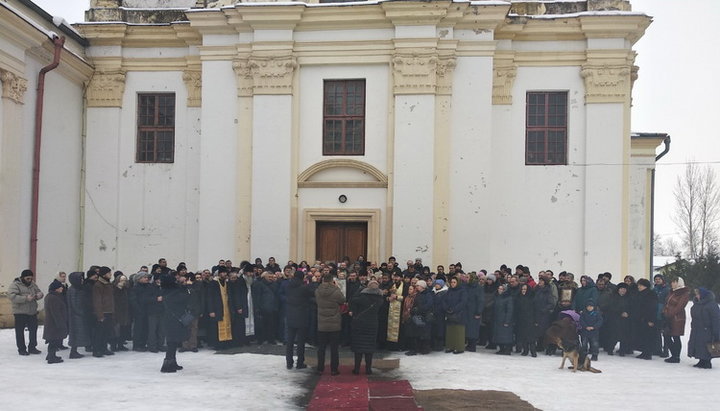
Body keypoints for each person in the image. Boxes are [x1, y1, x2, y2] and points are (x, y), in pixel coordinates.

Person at [349, 280, 384, 374]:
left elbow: (353, 299)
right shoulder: (380, 299)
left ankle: (357, 369)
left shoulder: (362, 297)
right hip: (373, 324)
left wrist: (360, 289)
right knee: (369, 347)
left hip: (360, 324)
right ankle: (368, 369)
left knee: (358, 347)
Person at [315, 273, 345, 375]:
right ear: (332, 280)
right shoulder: (336, 291)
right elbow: (342, 300)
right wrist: (337, 287)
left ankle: (320, 368)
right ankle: (334, 369)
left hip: (322, 324)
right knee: (334, 348)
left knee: (321, 348)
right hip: (334, 324)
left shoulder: (318, 291)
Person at [160, 273, 190, 373]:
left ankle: (172, 362)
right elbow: (184, 298)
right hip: (173, 320)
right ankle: (167, 364)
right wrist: (185, 287)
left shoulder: (165, 291)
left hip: (170, 319)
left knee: (173, 341)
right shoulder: (172, 292)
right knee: (172, 342)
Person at [8, 269, 43, 356]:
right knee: (20, 331)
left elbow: (38, 291)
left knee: (33, 330)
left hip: (32, 311)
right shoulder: (15, 284)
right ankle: (21, 349)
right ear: (22, 277)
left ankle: (32, 347)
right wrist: (25, 298)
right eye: (28, 278)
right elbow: (12, 296)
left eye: (31, 278)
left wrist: (39, 294)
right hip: (20, 312)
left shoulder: (33, 284)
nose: (30, 280)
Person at [285, 270, 314, 369]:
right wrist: (310, 282)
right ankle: (300, 362)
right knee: (301, 342)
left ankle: (289, 362)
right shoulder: (304, 288)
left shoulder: (288, 286)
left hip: (290, 315)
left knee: (290, 341)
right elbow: (312, 294)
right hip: (301, 317)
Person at [688, 287, 720, 369]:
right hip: (697, 329)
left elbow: (716, 319)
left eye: (698, 294)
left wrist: (716, 332)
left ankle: (707, 362)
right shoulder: (697, 304)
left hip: (707, 330)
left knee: (706, 345)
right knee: (698, 345)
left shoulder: (711, 305)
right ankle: (701, 360)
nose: (697, 296)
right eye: (696, 294)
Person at [662, 277, 690, 363]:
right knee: (666, 335)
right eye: (672, 282)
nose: (672, 283)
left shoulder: (684, 293)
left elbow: (679, 307)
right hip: (668, 317)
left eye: (674, 282)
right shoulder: (672, 292)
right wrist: (664, 312)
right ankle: (674, 354)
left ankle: (676, 356)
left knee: (675, 336)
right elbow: (667, 303)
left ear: (679, 283)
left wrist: (669, 314)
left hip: (677, 319)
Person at [43, 280, 68, 364]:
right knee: (53, 341)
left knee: (53, 340)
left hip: (52, 324)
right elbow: (56, 313)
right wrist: (61, 324)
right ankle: (51, 357)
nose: (62, 288)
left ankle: (51, 355)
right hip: (54, 324)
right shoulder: (53, 298)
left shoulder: (52, 296)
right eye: (60, 287)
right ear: (56, 289)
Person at [92, 266, 115, 357]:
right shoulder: (98, 285)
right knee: (99, 333)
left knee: (106, 332)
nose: (110, 274)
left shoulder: (108, 284)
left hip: (109, 311)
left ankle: (104, 348)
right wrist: (100, 315)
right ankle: (97, 350)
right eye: (109, 273)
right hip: (102, 312)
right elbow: (97, 301)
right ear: (104, 274)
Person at [67, 272, 90, 359]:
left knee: (78, 334)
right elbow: (74, 304)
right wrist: (81, 312)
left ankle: (74, 351)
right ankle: (73, 352)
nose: (82, 280)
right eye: (80, 279)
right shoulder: (73, 290)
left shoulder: (78, 288)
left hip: (79, 315)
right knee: (75, 334)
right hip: (75, 316)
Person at [634, 278, 657, 360]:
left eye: (640, 285)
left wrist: (651, 320)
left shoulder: (651, 294)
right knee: (642, 336)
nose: (638, 287)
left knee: (648, 336)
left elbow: (652, 307)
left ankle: (648, 353)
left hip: (648, 318)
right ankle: (644, 352)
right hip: (640, 318)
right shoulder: (639, 293)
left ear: (645, 286)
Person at [443, 277, 467, 354]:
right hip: (449, 313)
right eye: (451, 282)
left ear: (458, 283)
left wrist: (454, 309)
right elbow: (444, 300)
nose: (452, 284)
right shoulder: (449, 291)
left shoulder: (462, 291)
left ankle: (459, 347)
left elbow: (463, 302)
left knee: (458, 331)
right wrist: (446, 308)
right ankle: (450, 346)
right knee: (450, 331)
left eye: (454, 282)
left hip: (459, 314)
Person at [464, 273, 484, 352]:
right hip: (467, 311)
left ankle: (472, 345)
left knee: (473, 329)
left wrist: (478, 312)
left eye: (468, 277)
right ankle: (469, 344)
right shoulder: (466, 286)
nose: (466, 279)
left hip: (474, 311)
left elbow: (481, 301)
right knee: (468, 328)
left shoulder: (478, 288)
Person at [493, 283, 515, 355]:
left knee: (506, 335)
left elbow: (509, 310)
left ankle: (507, 349)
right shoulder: (497, 297)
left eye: (501, 289)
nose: (499, 290)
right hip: (497, 319)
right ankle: (501, 348)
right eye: (499, 289)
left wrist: (507, 321)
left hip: (504, 319)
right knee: (499, 335)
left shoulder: (508, 298)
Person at [515, 283, 535, 356]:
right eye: (522, 289)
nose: (523, 291)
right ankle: (525, 350)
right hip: (521, 319)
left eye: (525, 289)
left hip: (530, 319)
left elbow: (535, 309)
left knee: (531, 336)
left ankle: (533, 351)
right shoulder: (518, 297)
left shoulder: (532, 298)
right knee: (523, 335)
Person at [112, 272, 131, 351]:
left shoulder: (126, 290)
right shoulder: (114, 289)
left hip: (124, 312)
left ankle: (120, 344)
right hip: (116, 311)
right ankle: (113, 345)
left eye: (125, 280)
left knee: (123, 328)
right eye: (122, 280)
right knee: (116, 329)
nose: (124, 282)